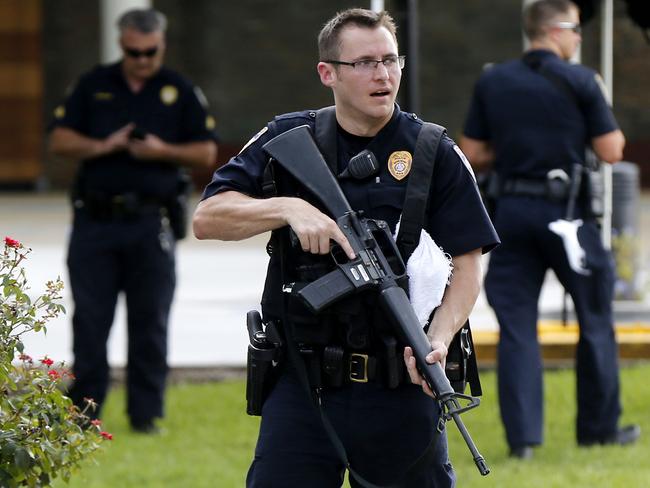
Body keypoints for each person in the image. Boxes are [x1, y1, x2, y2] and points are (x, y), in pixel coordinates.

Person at [194, 8, 497, 487]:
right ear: (327, 73)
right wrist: (288, 209)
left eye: (391, 60)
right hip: (303, 385)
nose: (383, 74)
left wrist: (436, 339)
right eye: (365, 63)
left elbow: (468, 266)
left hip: (401, 383)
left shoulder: (433, 150)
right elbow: (208, 218)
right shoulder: (287, 140)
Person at [460, 0, 640, 460]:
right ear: (557, 30)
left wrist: (517, 153)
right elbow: (613, 149)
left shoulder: (493, 80)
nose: (579, 38)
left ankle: (523, 444)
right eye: (577, 30)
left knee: (517, 328)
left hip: (512, 215)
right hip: (568, 220)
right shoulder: (581, 80)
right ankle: (599, 431)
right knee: (595, 320)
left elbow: (472, 151)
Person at [48, 8, 218, 433]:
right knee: (90, 323)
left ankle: (145, 418)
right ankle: (84, 417)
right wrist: (105, 145)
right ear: (121, 44)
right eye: (133, 51)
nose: (142, 59)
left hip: (150, 224)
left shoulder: (178, 90)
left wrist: (163, 151)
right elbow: (59, 139)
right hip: (96, 223)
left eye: (150, 52)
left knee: (150, 324)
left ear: (161, 45)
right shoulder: (93, 85)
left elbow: (205, 152)